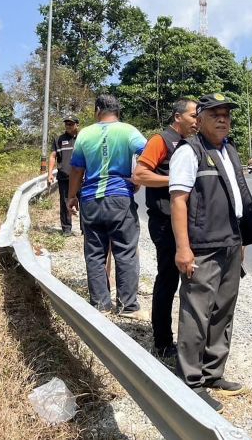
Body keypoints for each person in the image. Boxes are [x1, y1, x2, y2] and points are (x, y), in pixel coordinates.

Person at [169, 93, 252, 412]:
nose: (223, 119)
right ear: (199, 121)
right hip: (202, 247)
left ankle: (213, 373)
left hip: (229, 243)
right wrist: (183, 247)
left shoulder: (230, 151)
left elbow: (237, 201)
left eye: (226, 114)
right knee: (197, 313)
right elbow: (178, 201)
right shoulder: (189, 151)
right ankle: (190, 381)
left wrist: (241, 242)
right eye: (215, 114)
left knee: (223, 311)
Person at [67, 94, 149, 320]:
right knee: (126, 251)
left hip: (90, 198)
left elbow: (76, 169)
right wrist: (137, 178)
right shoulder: (128, 131)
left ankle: (101, 304)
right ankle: (128, 306)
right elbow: (148, 152)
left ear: (97, 110)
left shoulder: (85, 134)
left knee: (94, 253)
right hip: (120, 197)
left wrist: (71, 197)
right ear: (117, 111)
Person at [132, 98, 198, 358]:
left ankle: (191, 343)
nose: (197, 120)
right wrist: (177, 179)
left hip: (190, 223)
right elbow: (140, 175)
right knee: (168, 280)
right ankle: (162, 342)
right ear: (177, 116)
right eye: (193, 115)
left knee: (194, 283)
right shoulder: (161, 140)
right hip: (164, 223)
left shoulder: (195, 143)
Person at [47, 114, 80, 236]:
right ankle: (66, 229)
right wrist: (50, 173)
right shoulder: (59, 139)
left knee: (85, 203)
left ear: (77, 125)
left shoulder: (83, 138)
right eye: (66, 123)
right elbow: (53, 156)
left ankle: (85, 229)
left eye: (71, 123)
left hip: (82, 178)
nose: (68, 126)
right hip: (65, 177)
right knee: (65, 202)